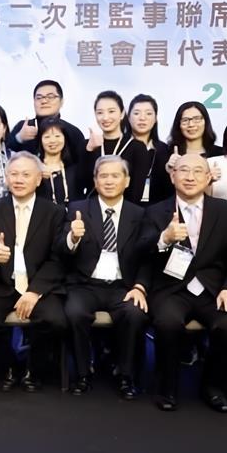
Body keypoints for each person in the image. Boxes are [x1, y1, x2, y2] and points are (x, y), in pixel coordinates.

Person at [142, 153, 227, 412]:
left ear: (208, 177)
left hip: (214, 291)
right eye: (184, 171)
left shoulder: (226, 212)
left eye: (197, 171)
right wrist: (164, 239)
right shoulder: (156, 211)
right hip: (170, 289)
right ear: (172, 175)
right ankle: (167, 387)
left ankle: (212, 387)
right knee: (167, 323)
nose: (190, 177)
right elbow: (139, 252)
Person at [0, 152, 68, 392]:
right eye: (14, 174)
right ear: (6, 178)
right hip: (1, 283)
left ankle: (33, 367)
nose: (19, 179)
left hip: (39, 285)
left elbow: (57, 258)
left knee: (56, 321)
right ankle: (10, 364)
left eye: (26, 175)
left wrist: (35, 291)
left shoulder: (55, 212)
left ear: (38, 180)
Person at [61, 155, 152, 400]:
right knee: (74, 313)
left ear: (127, 181)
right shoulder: (77, 209)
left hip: (124, 286)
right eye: (103, 176)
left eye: (115, 176)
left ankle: (125, 375)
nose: (109, 181)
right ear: (95, 180)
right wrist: (73, 238)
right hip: (85, 284)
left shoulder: (140, 213)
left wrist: (140, 287)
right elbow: (61, 248)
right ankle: (82, 373)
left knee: (135, 313)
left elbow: (147, 257)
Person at [81, 91, 148, 202]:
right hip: (92, 211)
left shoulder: (137, 147)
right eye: (100, 113)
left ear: (122, 114)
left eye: (111, 111)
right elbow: (80, 184)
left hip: (125, 212)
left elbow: (137, 190)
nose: (105, 117)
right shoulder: (87, 145)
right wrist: (89, 150)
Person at [7, 80, 86, 162]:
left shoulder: (72, 132)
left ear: (61, 102)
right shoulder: (23, 127)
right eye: (39, 98)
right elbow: (1, 155)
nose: (44, 101)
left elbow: (82, 165)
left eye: (50, 97)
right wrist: (19, 138)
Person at [127, 94, 173, 205]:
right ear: (128, 117)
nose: (142, 118)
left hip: (157, 210)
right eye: (137, 113)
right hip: (124, 211)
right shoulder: (120, 147)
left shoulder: (165, 150)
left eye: (148, 113)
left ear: (156, 118)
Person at [165, 102, 223, 173]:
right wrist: (169, 168)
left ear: (206, 121)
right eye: (185, 120)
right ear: (178, 124)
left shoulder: (220, 154)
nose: (191, 124)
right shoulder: (166, 153)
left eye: (197, 119)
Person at [35, 118, 82, 207]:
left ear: (65, 138)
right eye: (47, 137)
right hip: (44, 219)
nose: (52, 140)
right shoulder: (34, 168)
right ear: (40, 140)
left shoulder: (74, 168)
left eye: (57, 136)